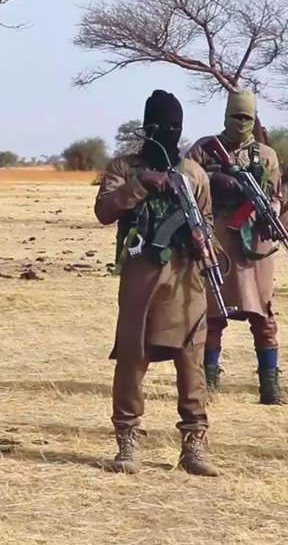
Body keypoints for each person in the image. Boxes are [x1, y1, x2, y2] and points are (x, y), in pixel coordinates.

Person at [94, 90, 218, 476]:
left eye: (174, 128)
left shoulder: (194, 173)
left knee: (191, 361)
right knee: (132, 358)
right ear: (147, 129)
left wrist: (201, 238)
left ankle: (194, 444)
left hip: (185, 281)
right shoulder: (124, 168)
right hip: (140, 277)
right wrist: (142, 184)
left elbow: (208, 222)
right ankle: (127, 439)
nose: (168, 134)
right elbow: (104, 211)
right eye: (162, 127)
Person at [185, 89, 284, 404]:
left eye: (246, 117)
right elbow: (185, 184)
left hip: (254, 245)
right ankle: (208, 384)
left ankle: (270, 386)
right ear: (226, 116)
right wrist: (215, 182)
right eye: (236, 116)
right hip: (218, 240)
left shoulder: (266, 155)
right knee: (213, 314)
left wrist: (270, 211)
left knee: (263, 315)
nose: (241, 122)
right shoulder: (204, 149)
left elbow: (276, 194)